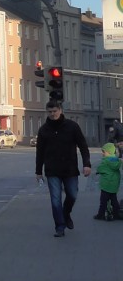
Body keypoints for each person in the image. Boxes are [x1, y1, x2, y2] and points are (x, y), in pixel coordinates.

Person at [34, 100, 92, 237]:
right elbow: (40, 152)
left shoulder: (72, 127)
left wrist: (87, 164)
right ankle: (59, 227)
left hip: (70, 169)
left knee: (72, 194)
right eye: (50, 112)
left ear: (60, 110)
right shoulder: (44, 130)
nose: (52, 114)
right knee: (55, 199)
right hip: (52, 170)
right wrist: (38, 171)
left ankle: (66, 213)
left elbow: (83, 146)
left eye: (55, 111)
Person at [93, 142, 121, 221]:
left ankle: (100, 214)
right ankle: (117, 214)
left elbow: (100, 169)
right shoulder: (116, 160)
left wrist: (97, 171)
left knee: (103, 201)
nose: (102, 154)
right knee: (114, 200)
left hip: (106, 185)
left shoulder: (106, 161)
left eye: (104, 152)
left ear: (108, 152)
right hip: (114, 185)